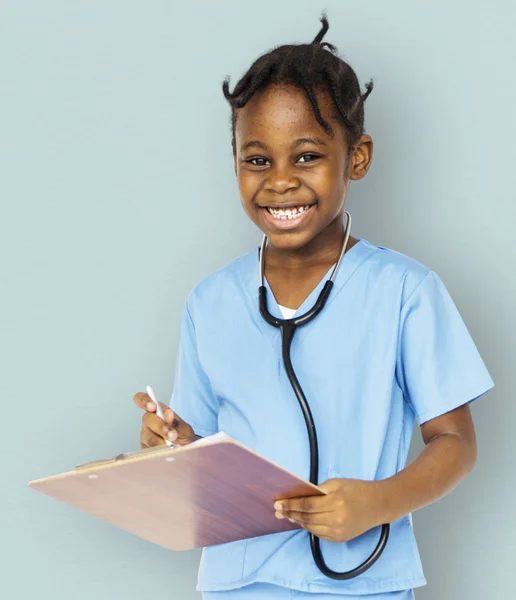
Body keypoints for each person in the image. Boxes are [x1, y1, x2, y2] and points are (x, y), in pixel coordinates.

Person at [133, 11, 494, 600]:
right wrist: (171, 443)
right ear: (235, 162)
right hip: (237, 582)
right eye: (257, 159)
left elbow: (455, 444)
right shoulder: (211, 302)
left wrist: (378, 502)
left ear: (357, 157)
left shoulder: (404, 291)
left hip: (361, 581)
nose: (279, 181)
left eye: (305, 156)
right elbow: (204, 448)